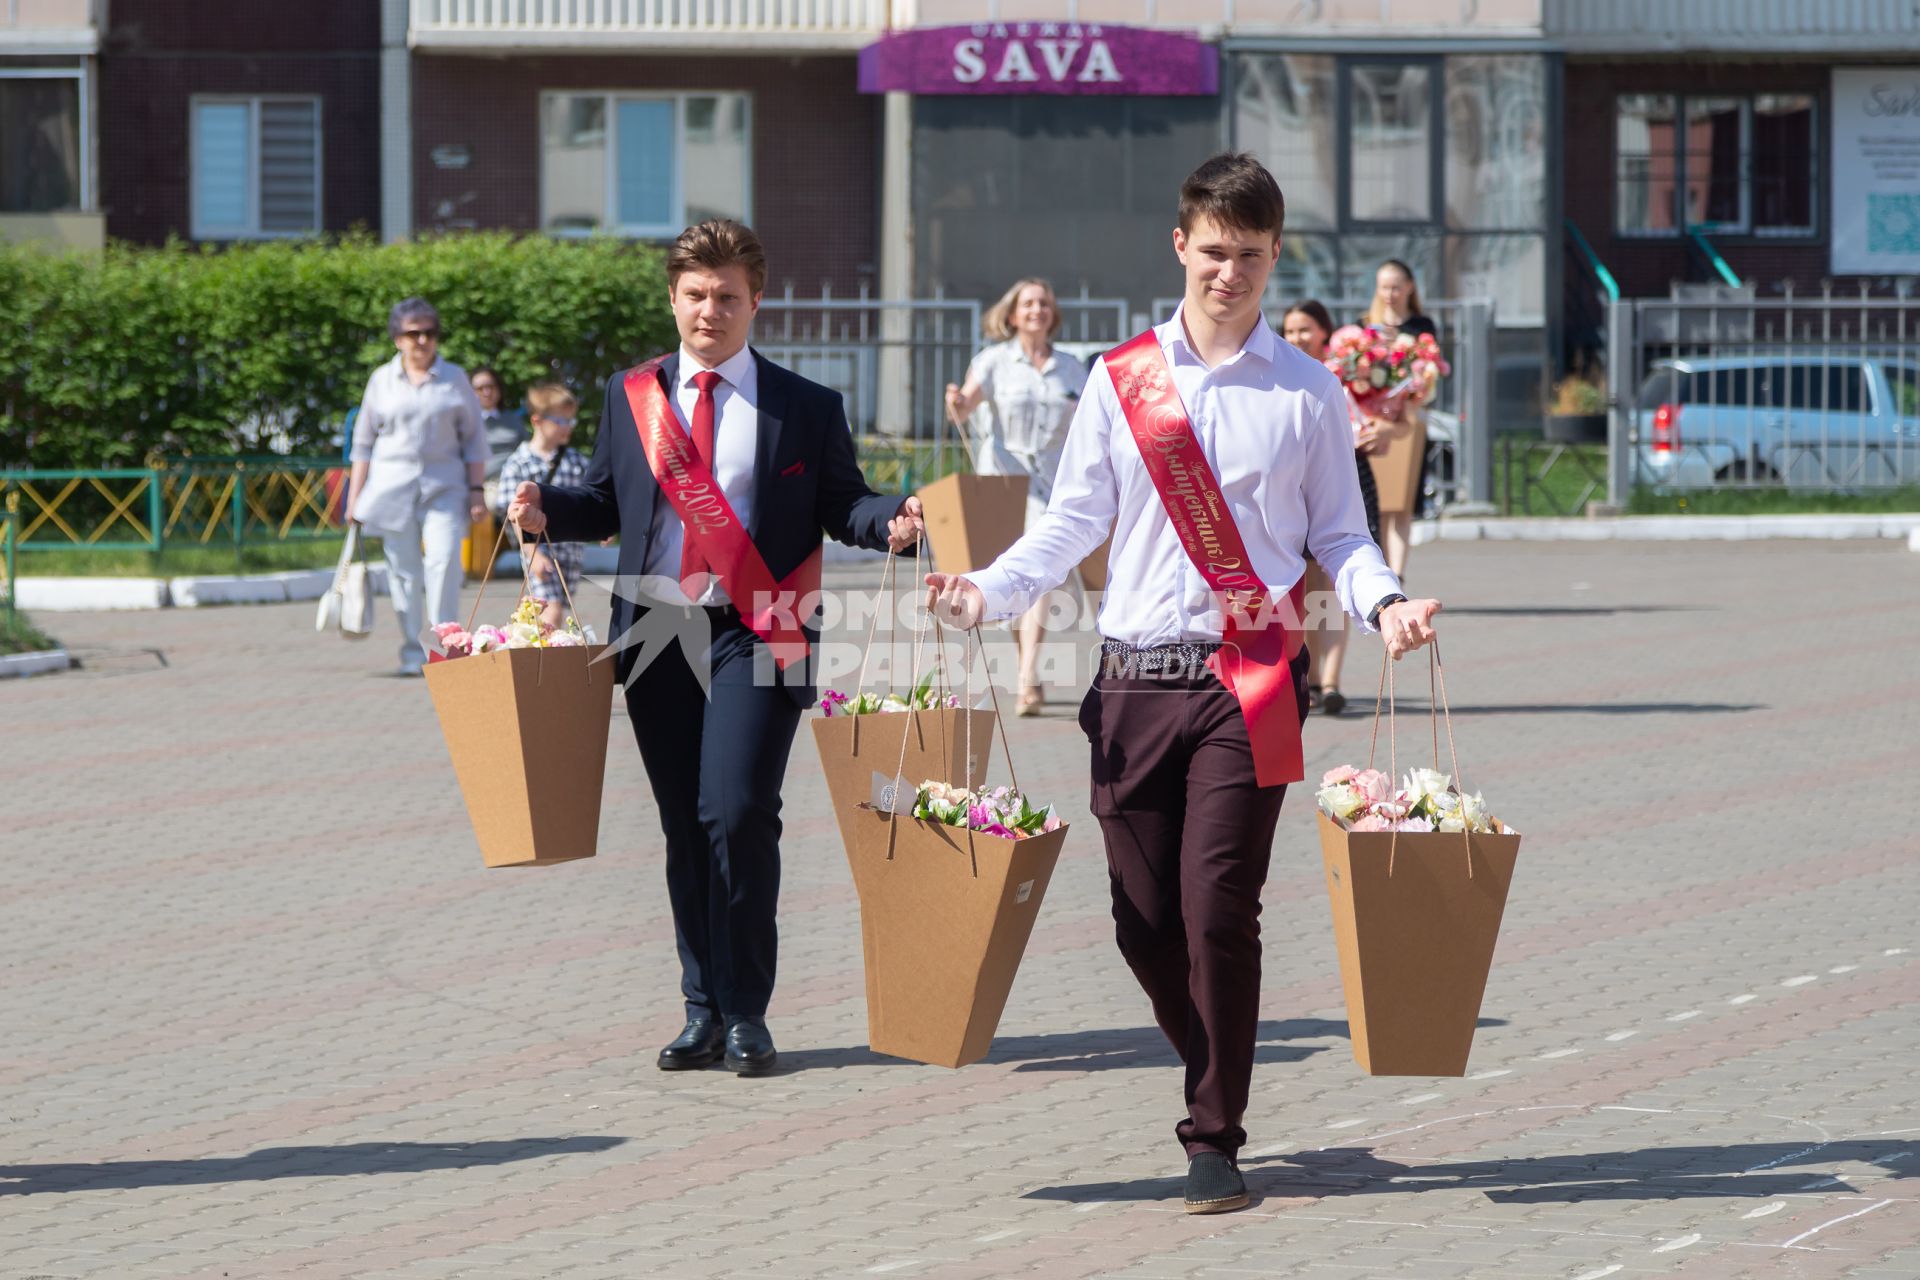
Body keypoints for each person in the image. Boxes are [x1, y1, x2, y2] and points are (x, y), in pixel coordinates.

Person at [924, 155, 1440, 1215]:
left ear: (1274, 255)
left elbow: (1341, 531)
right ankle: (1215, 1049)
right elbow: (1073, 519)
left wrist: (1385, 601)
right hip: (1133, 682)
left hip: (1247, 680)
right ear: (1180, 247)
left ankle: (1215, 1130)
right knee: (1142, 919)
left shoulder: (1306, 389)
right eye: (1214, 251)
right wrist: (987, 585)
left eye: (1252, 255)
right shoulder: (1123, 378)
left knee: (1217, 909)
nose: (1232, 272)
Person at [507, 220, 925, 1077]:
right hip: (656, 628)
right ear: (673, 299)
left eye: (728, 296)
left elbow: (844, 503)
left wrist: (892, 522)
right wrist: (545, 504)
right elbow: (605, 502)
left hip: (760, 627)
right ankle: (700, 1008)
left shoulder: (805, 407)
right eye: (695, 295)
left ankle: (747, 1011)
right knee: (684, 827)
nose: (710, 310)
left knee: (736, 812)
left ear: (756, 302)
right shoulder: (633, 397)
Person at [943, 278, 1089, 715]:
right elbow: (965, 407)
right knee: (1008, 577)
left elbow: (1089, 421)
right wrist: (957, 401)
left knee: (1041, 570)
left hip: (1051, 481)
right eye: (1028, 303)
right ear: (1011, 315)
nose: (1037, 310)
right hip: (1003, 479)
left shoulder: (1071, 368)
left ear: (1053, 314)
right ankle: (1027, 668)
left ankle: (1026, 675)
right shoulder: (992, 362)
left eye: (1044, 302)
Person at [344, 298, 490, 676]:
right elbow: (363, 444)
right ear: (397, 339)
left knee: (442, 563)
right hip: (391, 489)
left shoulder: (455, 378)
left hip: (445, 486)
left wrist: (477, 491)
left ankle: (442, 647)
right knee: (404, 573)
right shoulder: (381, 380)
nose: (422, 340)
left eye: (429, 332)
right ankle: (413, 649)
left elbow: (474, 440)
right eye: (413, 333)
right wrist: (354, 498)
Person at [1281, 299, 1383, 716]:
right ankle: (1308, 676)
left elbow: (1380, 421)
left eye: (1304, 329)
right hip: (1295, 485)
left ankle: (1333, 680)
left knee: (1337, 585)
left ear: (1326, 332)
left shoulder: (1349, 377)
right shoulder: (1280, 378)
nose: (1297, 338)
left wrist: (1375, 434)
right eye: (1289, 331)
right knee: (1304, 591)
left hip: (1349, 476)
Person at [1360, 259, 1439, 578]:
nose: (1389, 294)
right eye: (1384, 287)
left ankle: (1397, 573)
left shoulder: (1422, 328)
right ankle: (1378, 571)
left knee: (1402, 503)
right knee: (1374, 500)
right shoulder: (1364, 327)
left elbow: (1430, 372)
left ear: (1409, 288)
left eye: (1395, 286)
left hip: (1409, 419)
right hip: (1372, 423)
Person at [495, 382, 589, 629]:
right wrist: (531, 553)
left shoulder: (576, 460)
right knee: (552, 610)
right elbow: (513, 514)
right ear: (537, 420)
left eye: (571, 421)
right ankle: (546, 664)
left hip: (570, 551)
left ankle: (528, 655)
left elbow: (592, 496)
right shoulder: (519, 463)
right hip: (539, 550)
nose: (567, 427)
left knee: (543, 612)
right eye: (560, 421)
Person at [470, 365, 529, 476]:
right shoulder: (464, 422)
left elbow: (528, 450)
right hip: (478, 487)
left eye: (491, 386)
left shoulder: (513, 419)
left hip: (513, 482)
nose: (486, 392)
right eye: (480, 388)